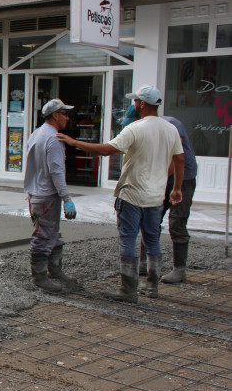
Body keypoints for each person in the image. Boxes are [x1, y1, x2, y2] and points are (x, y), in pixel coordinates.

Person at [58, 85, 183, 303]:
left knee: (127, 239)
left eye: (135, 101)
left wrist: (74, 142)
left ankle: (128, 289)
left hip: (132, 195)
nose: (133, 105)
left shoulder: (135, 128)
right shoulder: (170, 128)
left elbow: (107, 150)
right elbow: (179, 160)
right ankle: (152, 285)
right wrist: (175, 187)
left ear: (142, 104)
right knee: (152, 239)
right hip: (156, 197)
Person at [23, 99, 79, 293]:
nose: (67, 118)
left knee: (51, 233)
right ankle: (40, 277)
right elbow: (56, 172)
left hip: (36, 193)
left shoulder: (36, 134)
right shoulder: (54, 139)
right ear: (55, 115)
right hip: (46, 195)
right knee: (44, 235)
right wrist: (67, 199)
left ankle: (54, 271)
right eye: (65, 114)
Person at [157, 115, 198, 283]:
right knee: (151, 217)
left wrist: (158, 180)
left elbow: (177, 157)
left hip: (183, 178)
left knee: (176, 222)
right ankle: (149, 263)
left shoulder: (171, 124)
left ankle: (179, 270)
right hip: (164, 175)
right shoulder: (143, 128)